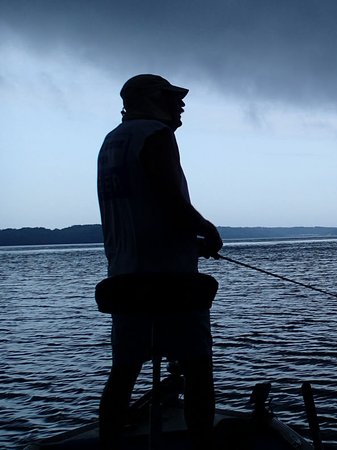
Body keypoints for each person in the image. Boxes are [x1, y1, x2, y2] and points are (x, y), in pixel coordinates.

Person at [96, 74, 223, 448]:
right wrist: (207, 230)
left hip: (124, 277)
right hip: (170, 281)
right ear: (151, 101)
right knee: (198, 370)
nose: (180, 104)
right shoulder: (156, 134)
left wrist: (184, 242)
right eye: (171, 97)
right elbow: (170, 200)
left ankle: (109, 443)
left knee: (123, 373)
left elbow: (141, 212)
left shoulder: (111, 142)